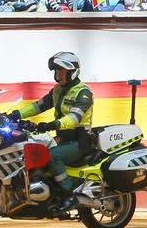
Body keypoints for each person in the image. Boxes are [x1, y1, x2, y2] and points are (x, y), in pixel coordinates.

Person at [15, 52, 95, 211]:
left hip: (79, 141)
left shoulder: (83, 93)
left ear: (72, 72)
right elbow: (39, 106)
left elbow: (74, 118)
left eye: (61, 71)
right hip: (62, 139)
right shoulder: (57, 90)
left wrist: (51, 125)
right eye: (56, 71)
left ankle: (69, 194)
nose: (57, 75)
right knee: (34, 149)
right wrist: (17, 114)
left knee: (52, 156)